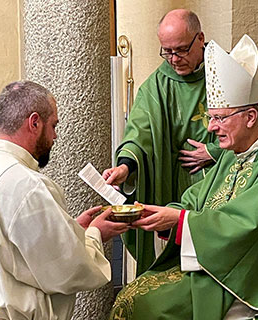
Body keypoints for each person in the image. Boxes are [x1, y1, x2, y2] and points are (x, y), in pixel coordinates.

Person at [109, 34, 258, 320]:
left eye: (220, 118)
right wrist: (164, 215)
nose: (211, 127)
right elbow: (195, 199)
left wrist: (181, 222)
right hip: (209, 262)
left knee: (141, 306)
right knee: (130, 297)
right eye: (211, 117)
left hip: (242, 278)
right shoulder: (235, 152)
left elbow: (246, 223)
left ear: (249, 117)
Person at [0, 81, 129, 320]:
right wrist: (95, 233)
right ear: (34, 122)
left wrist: (72, 230)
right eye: (54, 125)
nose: (55, 135)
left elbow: (13, 250)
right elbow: (68, 270)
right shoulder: (28, 186)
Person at [103, 9, 223, 275]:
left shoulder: (227, 73)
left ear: (200, 38)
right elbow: (138, 135)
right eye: (166, 51)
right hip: (167, 185)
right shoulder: (156, 86)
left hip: (216, 184)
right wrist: (125, 168)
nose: (174, 59)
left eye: (180, 50)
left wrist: (214, 151)